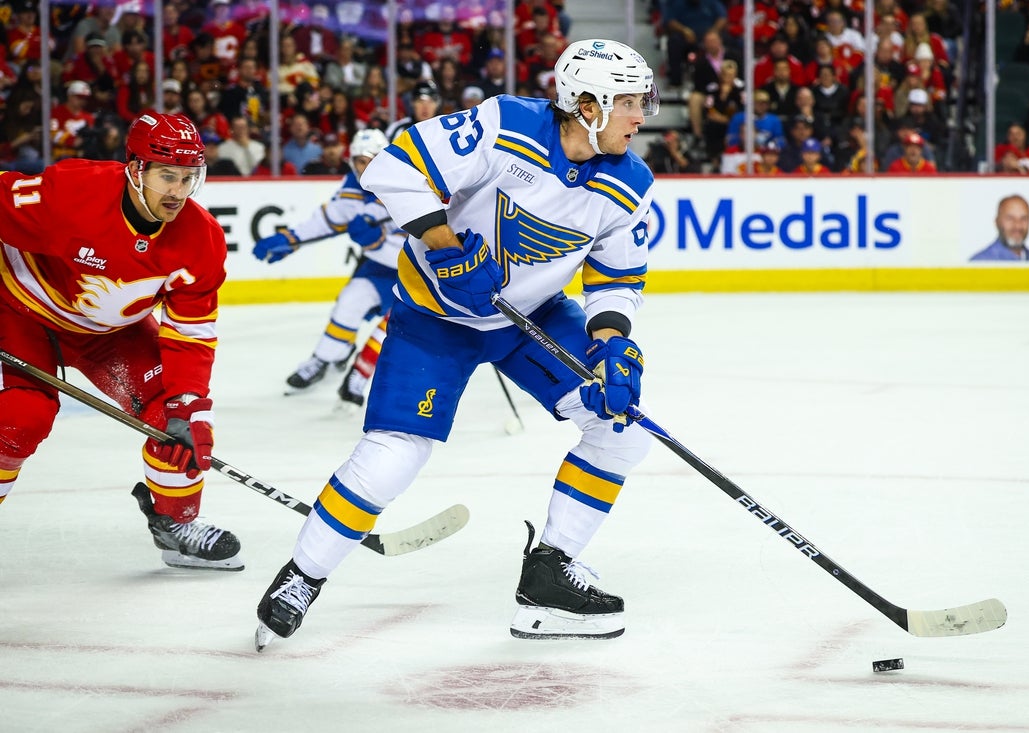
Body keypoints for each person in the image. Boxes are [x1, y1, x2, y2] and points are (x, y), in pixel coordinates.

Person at [255, 38, 659, 650]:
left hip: (532, 318)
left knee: (621, 427)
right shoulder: (506, 124)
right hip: (434, 319)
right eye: (628, 102)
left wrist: (612, 344)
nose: (641, 116)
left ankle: (548, 575)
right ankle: (301, 576)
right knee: (393, 457)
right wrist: (447, 250)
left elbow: (617, 279)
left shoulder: (631, 181)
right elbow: (394, 168)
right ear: (586, 104)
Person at [0, 112, 243, 571]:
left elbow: (191, 332)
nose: (178, 192)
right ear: (135, 169)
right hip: (22, 311)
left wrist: (186, 404)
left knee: (181, 422)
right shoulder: (75, 191)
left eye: (188, 178)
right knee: (21, 418)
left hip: (109, 335)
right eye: (167, 176)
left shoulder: (201, 239)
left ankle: (175, 525)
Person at [252, 129, 405, 407]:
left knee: (398, 327)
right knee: (350, 301)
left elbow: (424, 241)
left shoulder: (406, 181)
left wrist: (379, 242)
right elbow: (326, 221)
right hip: (379, 267)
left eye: (372, 160)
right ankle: (326, 358)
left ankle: (361, 375)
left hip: (417, 272)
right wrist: (290, 239)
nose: (366, 168)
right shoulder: (352, 189)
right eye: (360, 161)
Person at [970, 195, 1029, 262]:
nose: (1017, 226)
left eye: (1023, 218)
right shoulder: (980, 263)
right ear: (997, 222)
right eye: (1010, 218)